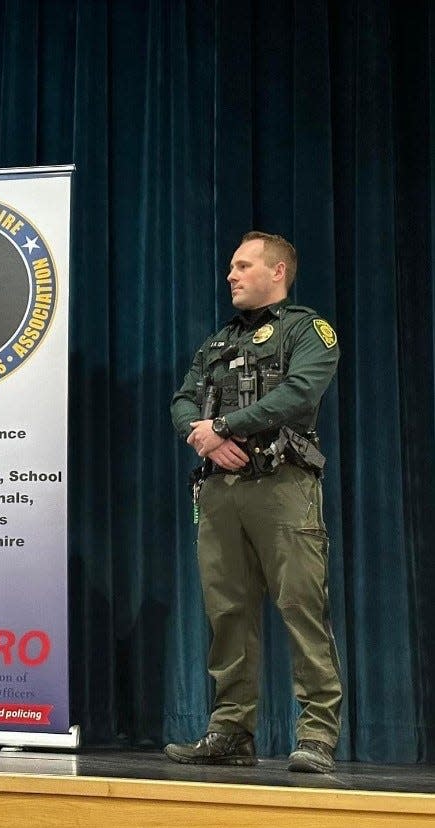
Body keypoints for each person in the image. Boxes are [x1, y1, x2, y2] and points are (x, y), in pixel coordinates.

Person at [166, 231, 342, 774]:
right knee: (227, 613)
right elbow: (183, 399)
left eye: (243, 266)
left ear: (278, 272)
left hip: (283, 487)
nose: (231, 276)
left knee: (301, 608)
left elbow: (298, 394)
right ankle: (229, 732)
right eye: (231, 268)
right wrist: (203, 437)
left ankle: (316, 735)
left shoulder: (308, 331)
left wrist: (221, 426)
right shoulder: (217, 342)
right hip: (220, 493)